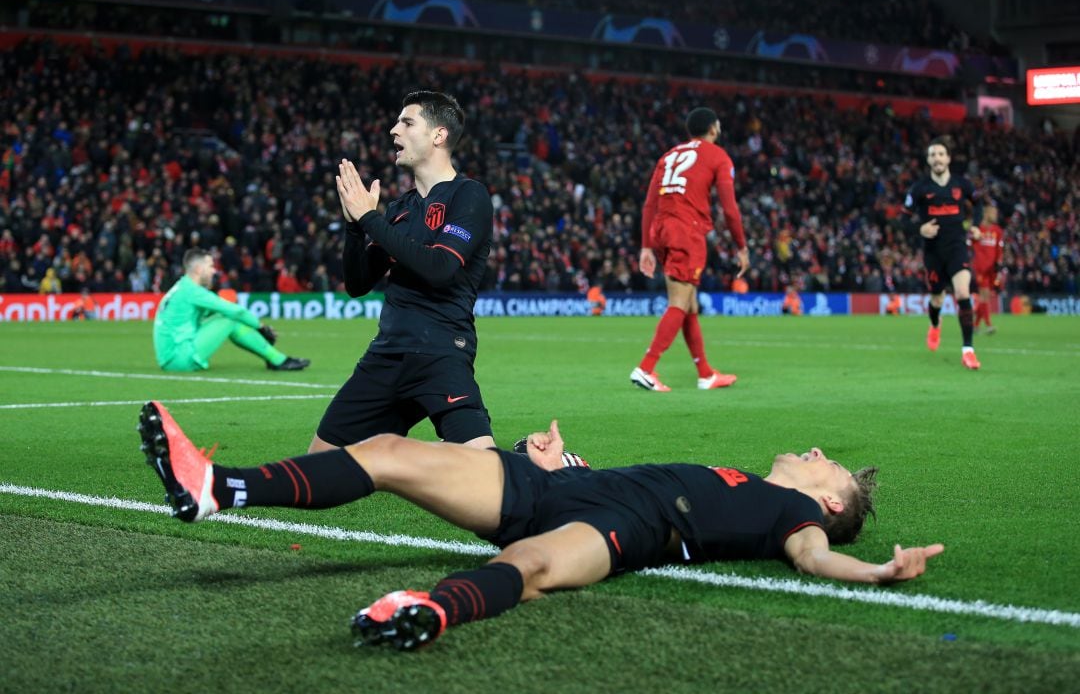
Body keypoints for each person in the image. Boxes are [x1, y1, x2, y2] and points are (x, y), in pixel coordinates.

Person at [138, 399, 944, 651]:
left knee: (528, 570)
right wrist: (564, 464)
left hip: (627, 529)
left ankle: (428, 609)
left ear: (831, 503)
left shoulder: (799, 517)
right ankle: (216, 487)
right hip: (567, 488)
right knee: (387, 450)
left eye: (827, 464)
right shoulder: (740, 475)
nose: (814, 453)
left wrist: (877, 572)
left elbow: (811, 560)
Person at [309, 90, 495, 453]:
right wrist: (353, 226)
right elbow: (358, 284)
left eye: (407, 122)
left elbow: (440, 268)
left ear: (439, 135)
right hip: (387, 354)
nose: (394, 130)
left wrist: (369, 218)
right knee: (316, 464)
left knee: (489, 474)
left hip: (441, 353)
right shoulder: (399, 209)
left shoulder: (469, 196)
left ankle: (549, 467)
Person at [632, 107, 750, 393]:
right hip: (687, 230)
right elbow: (730, 209)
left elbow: (649, 204)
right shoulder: (717, 156)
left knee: (689, 304)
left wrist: (646, 246)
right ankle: (646, 368)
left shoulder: (668, 155)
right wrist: (742, 246)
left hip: (661, 229)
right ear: (713, 128)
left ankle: (705, 373)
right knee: (679, 302)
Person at [153, 248, 309, 372]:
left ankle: (276, 359)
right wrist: (261, 328)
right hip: (179, 359)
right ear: (199, 269)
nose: (214, 271)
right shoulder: (193, 291)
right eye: (211, 266)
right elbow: (237, 312)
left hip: (169, 357)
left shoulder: (182, 287)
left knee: (228, 317)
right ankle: (277, 359)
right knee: (230, 317)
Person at [902, 137, 983, 370]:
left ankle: (968, 351)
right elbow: (902, 219)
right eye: (932, 155)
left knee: (962, 292)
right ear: (928, 160)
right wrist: (920, 229)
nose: (937, 158)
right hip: (933, 252)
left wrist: (975, 225)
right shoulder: (919, 189)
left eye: (940, 154)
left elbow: (978, 204)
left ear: (948, 158)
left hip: (957, 247)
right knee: (937, 298)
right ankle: (935, 324)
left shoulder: (962, 185)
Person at [971, 203, 1004, 335]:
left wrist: (999, 265)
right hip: (980, 268)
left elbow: (999, 250)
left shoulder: (997, 231)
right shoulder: (978, 230)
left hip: (992, 269)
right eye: (993, 213)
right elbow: (970, 245)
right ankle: (989, 325)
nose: (995, 216)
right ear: (986, 214)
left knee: (985, 297)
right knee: (984, 296)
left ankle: (975, 325)